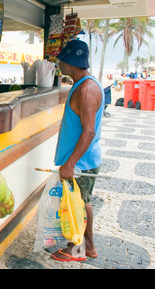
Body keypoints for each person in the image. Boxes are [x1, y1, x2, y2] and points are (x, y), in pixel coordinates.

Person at [51, 39, 104, 262]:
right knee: (80, 201)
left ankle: (81, 247)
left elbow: (89, 131)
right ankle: (82, 244)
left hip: (82, 161)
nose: (60, 64)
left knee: (81, 203)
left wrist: (71, 163)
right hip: (80, 160)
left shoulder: (87, 89)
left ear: (72, 62)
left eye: (63, 60)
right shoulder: (81, 84)